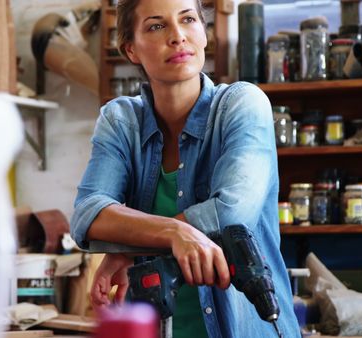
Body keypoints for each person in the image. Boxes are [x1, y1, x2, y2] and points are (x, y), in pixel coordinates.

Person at [70, 0, 299, 337]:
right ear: (131, 49)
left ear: (204, 34)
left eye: (188, 19)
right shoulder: (120, 120)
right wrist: (175, 233)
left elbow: (231, 212)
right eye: (156, 26)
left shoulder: (242, 103)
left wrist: (129, 245)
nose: (177, 36)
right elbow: (88, 214)